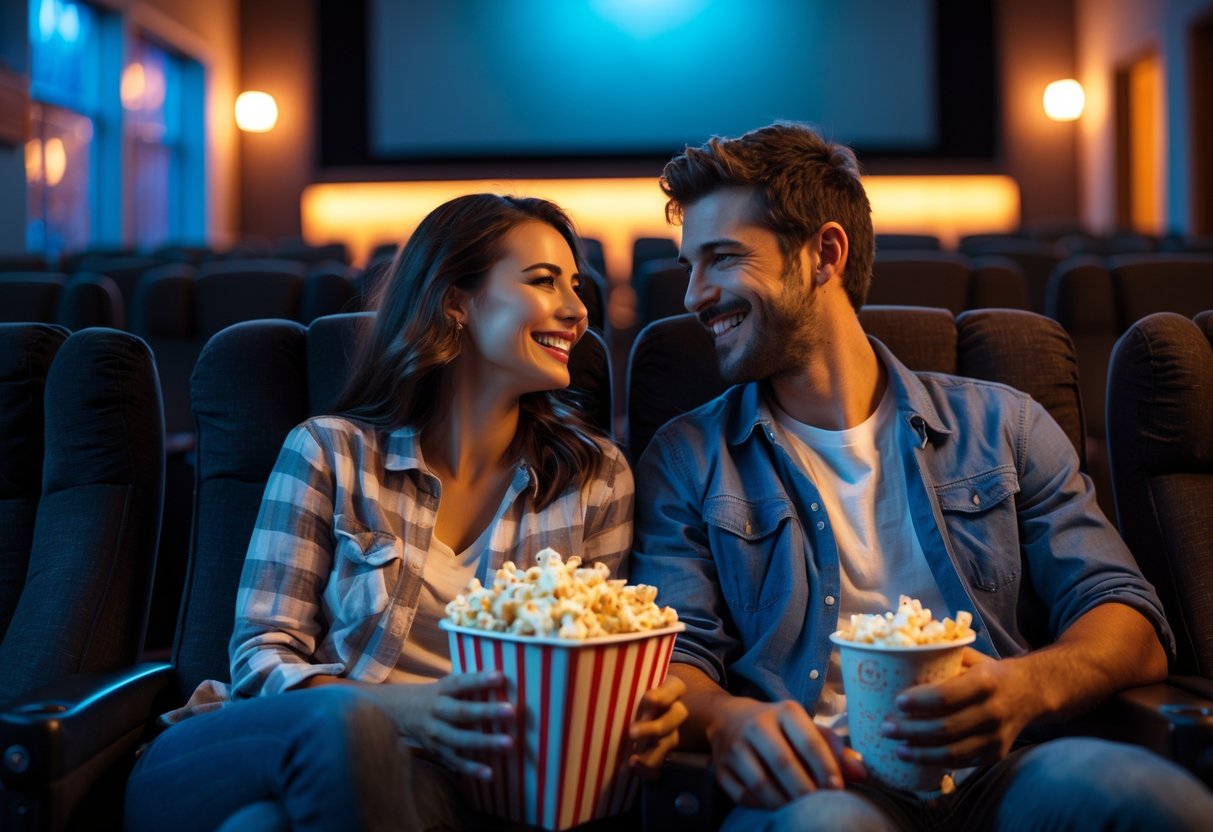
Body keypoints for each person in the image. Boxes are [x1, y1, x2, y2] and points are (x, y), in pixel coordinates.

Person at [628, 122, 1213, 831]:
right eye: (688, 264)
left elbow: (1127, 619)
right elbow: (672, 657)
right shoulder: (686, 454)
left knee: (1155, 801)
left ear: (824, 253)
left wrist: (1024, 688)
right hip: (821, 784)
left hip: (1007, 768)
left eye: (720, 258)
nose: (692, 295)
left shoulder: (1004, 424)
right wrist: (725, 719)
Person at [125, 194, 687, 831]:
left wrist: (641, 703)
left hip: (441, 787)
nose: (578, 310)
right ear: (455, 301)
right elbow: (260, 658)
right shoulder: (328, 452)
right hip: (249, 747)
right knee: (344, 734)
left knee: (262, 826)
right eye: (543, 281)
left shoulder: (596, 478)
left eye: (577, 286)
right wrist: (403, 711)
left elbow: (595, 662)